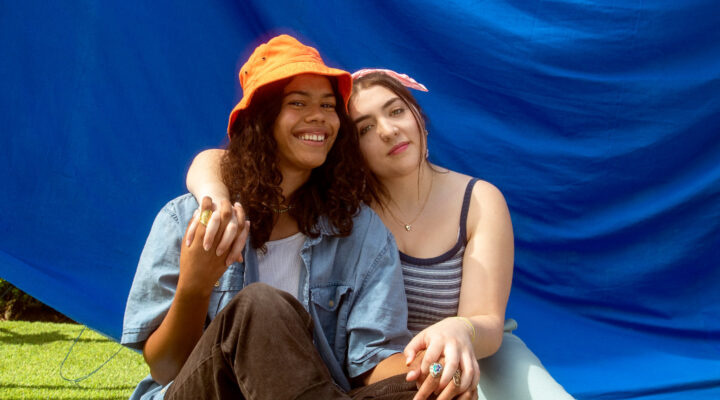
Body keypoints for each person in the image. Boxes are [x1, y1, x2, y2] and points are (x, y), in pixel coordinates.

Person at [186, 65, 575, 399]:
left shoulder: (477, 200)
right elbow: (218, 160)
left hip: (472, 350)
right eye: (365, 128)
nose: (389, 131)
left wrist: (460, 329)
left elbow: (488, 320)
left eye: (396, 111)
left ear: (418, 117)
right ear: (347, 146)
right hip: (378, 371)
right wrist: (214, 196)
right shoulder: (345, 210)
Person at [121, 34, 439, 400]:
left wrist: (433, 370)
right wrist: (195, 284)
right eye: (298, 102)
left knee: (426, 391)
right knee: (261, 307)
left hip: (318, 391)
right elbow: (165, 368)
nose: (318, 116)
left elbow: (372, 363)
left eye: (328, 104)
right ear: (262, 117)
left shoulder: (359, 230)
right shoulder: (187, 219)